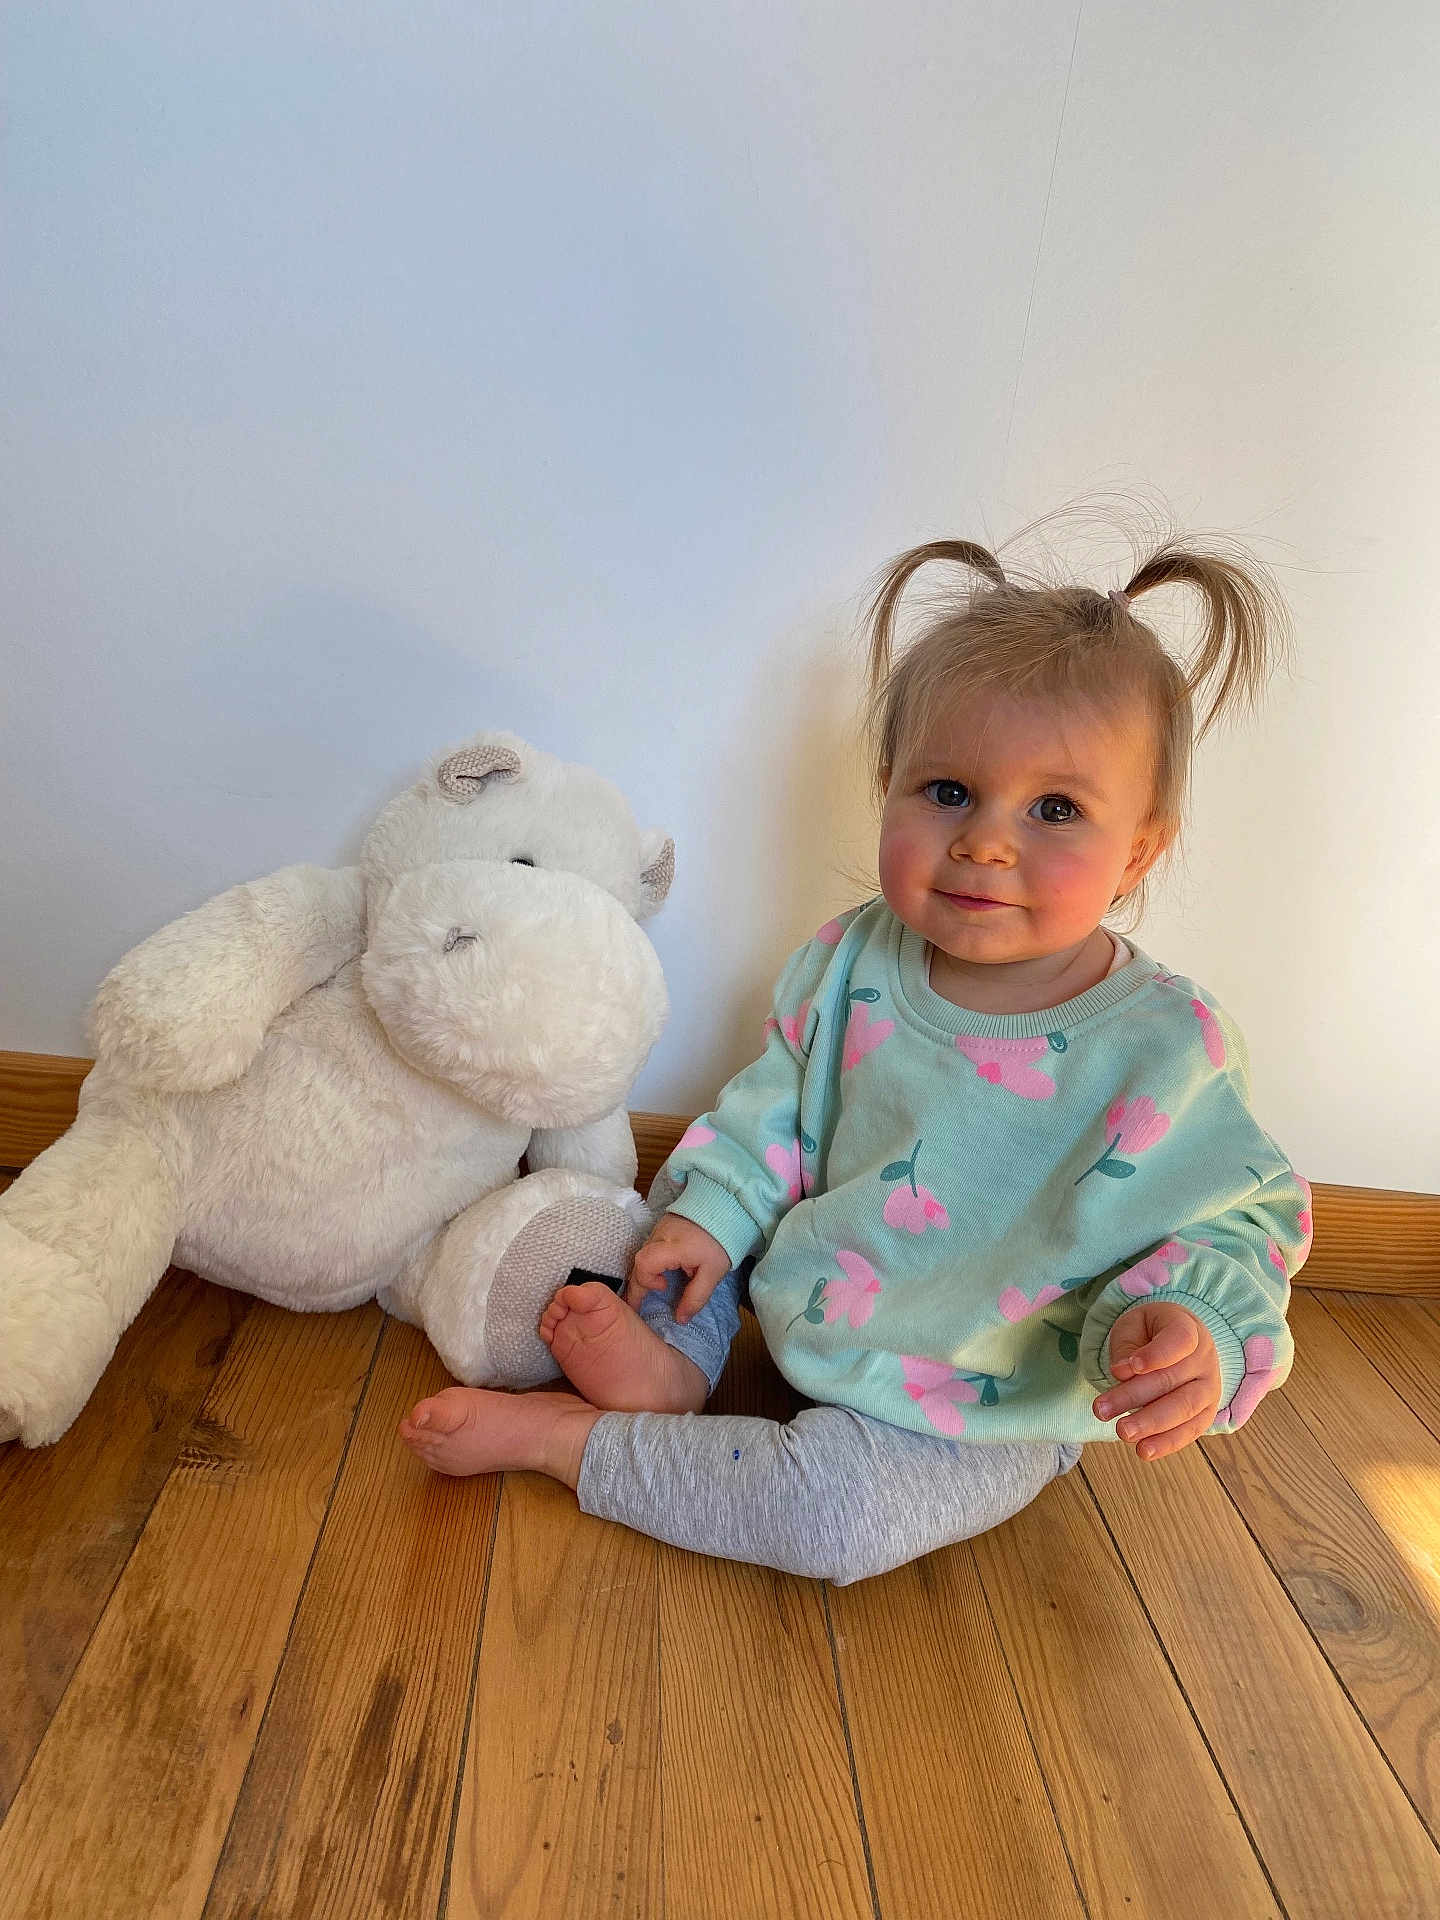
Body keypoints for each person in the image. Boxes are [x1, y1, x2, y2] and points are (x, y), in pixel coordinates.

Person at [399, 530, 1313, 1585]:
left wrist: (1193, 1321)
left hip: (994, 1396)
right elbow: (775, 1112)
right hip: (818, 1287)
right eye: (948, 791)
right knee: (682, 1246)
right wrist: (714, 1213)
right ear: (890, 783)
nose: (985, 842)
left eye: (1054, 810)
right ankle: (672, 1370)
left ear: (1140, 850)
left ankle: (573, 1444)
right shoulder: (853, 957)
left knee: (836, 1522)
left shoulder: (1168, 1046)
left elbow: (1242, 1215)